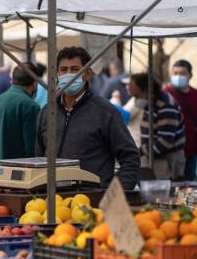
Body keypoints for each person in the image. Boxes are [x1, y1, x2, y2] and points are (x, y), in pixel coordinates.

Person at [36, 47, 140, 190]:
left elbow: (130, 158)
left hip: (93, 202)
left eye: (74, 69)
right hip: (53, 203)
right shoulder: (47, 112)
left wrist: (114, 195)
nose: (68, 74)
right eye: (63, 69)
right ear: (56, 74)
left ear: (87, 74)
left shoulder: (105, 112)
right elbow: (38, 158)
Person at [125, 73, 185, 180]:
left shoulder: (166, 105)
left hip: (167, 159)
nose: (135, 100)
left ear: (146, 91)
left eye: (136, 96)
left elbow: (165, 142)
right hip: (154, 156)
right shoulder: (150, 103)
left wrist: (141, 151)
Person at [0, 63, 41, 166]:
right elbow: (31, 149)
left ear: (12, 81)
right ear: (35, 83)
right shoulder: (31, 106)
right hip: (20, 174)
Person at [164, 59, 197, 181]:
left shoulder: (196, 94)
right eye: (175, 73)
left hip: (192, 147)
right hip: (173, 148)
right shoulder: (166, 92)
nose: (178, 76)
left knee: (190, 182)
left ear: (190, 75)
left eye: (182, 73)